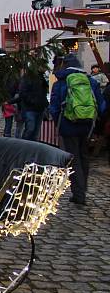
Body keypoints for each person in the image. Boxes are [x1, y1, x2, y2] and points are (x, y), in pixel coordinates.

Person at [49, 54, 106, 205]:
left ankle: (78, 193)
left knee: (73, 159)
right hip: (86, 126)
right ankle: (82, 189)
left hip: (68, 126)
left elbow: (53, 108)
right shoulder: (91, 81)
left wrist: (59, 123)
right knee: (84, 156)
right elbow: (102, 106)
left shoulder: (60, 83)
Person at [11, 67, 49, 141]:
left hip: (39, 108)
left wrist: (44, 103)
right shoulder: (27, 78)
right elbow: (22, 93)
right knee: (30, 129)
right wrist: (32, 101)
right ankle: (25, 145)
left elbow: (43, 93)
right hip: (29, 108)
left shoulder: (42, 78)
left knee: (36, 132)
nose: (46, 68)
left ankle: (32, 148)